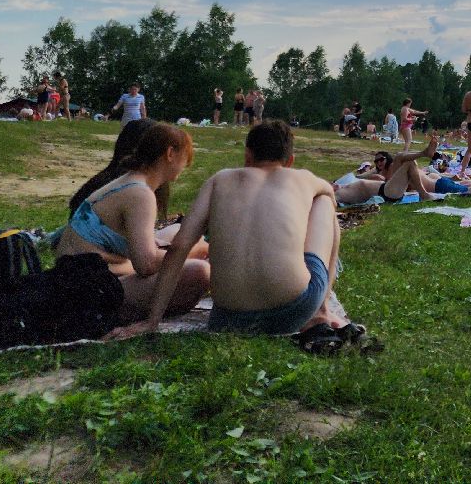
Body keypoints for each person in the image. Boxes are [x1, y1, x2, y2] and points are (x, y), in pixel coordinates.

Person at [111, 120, 348, 341]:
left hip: (229, 319)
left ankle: (320, 307)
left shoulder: (219, 180)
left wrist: (153, 320)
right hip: (294, 311)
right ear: (290, 161)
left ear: (247, 154)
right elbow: (329, 191)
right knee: (324, 201)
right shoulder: (303, 178)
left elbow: (180, 246)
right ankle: (322, 309)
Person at [56, 122, 210, 321]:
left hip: (80, 273)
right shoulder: (140, 194)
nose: (186, 165)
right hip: (88, 290)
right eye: (185, 157)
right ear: (170, 153)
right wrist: (188, 255)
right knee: (200, 271)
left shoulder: (130, 180)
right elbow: (145, 265)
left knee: (179, 232)